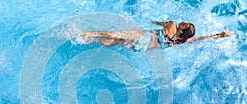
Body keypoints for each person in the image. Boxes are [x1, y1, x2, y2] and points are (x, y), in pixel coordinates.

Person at [81, 21, 232, 51]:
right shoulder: (180, 41)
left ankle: (88, 34)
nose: (184, 21)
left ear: (182, 27)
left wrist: (157, 23)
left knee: (116, 34)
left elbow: (161, 23)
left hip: (144, 37)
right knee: (114, 41)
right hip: (142, 47)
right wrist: (219, 35)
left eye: (185, 24)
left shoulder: (172, 26)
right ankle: (93, 41)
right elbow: (201, 38)